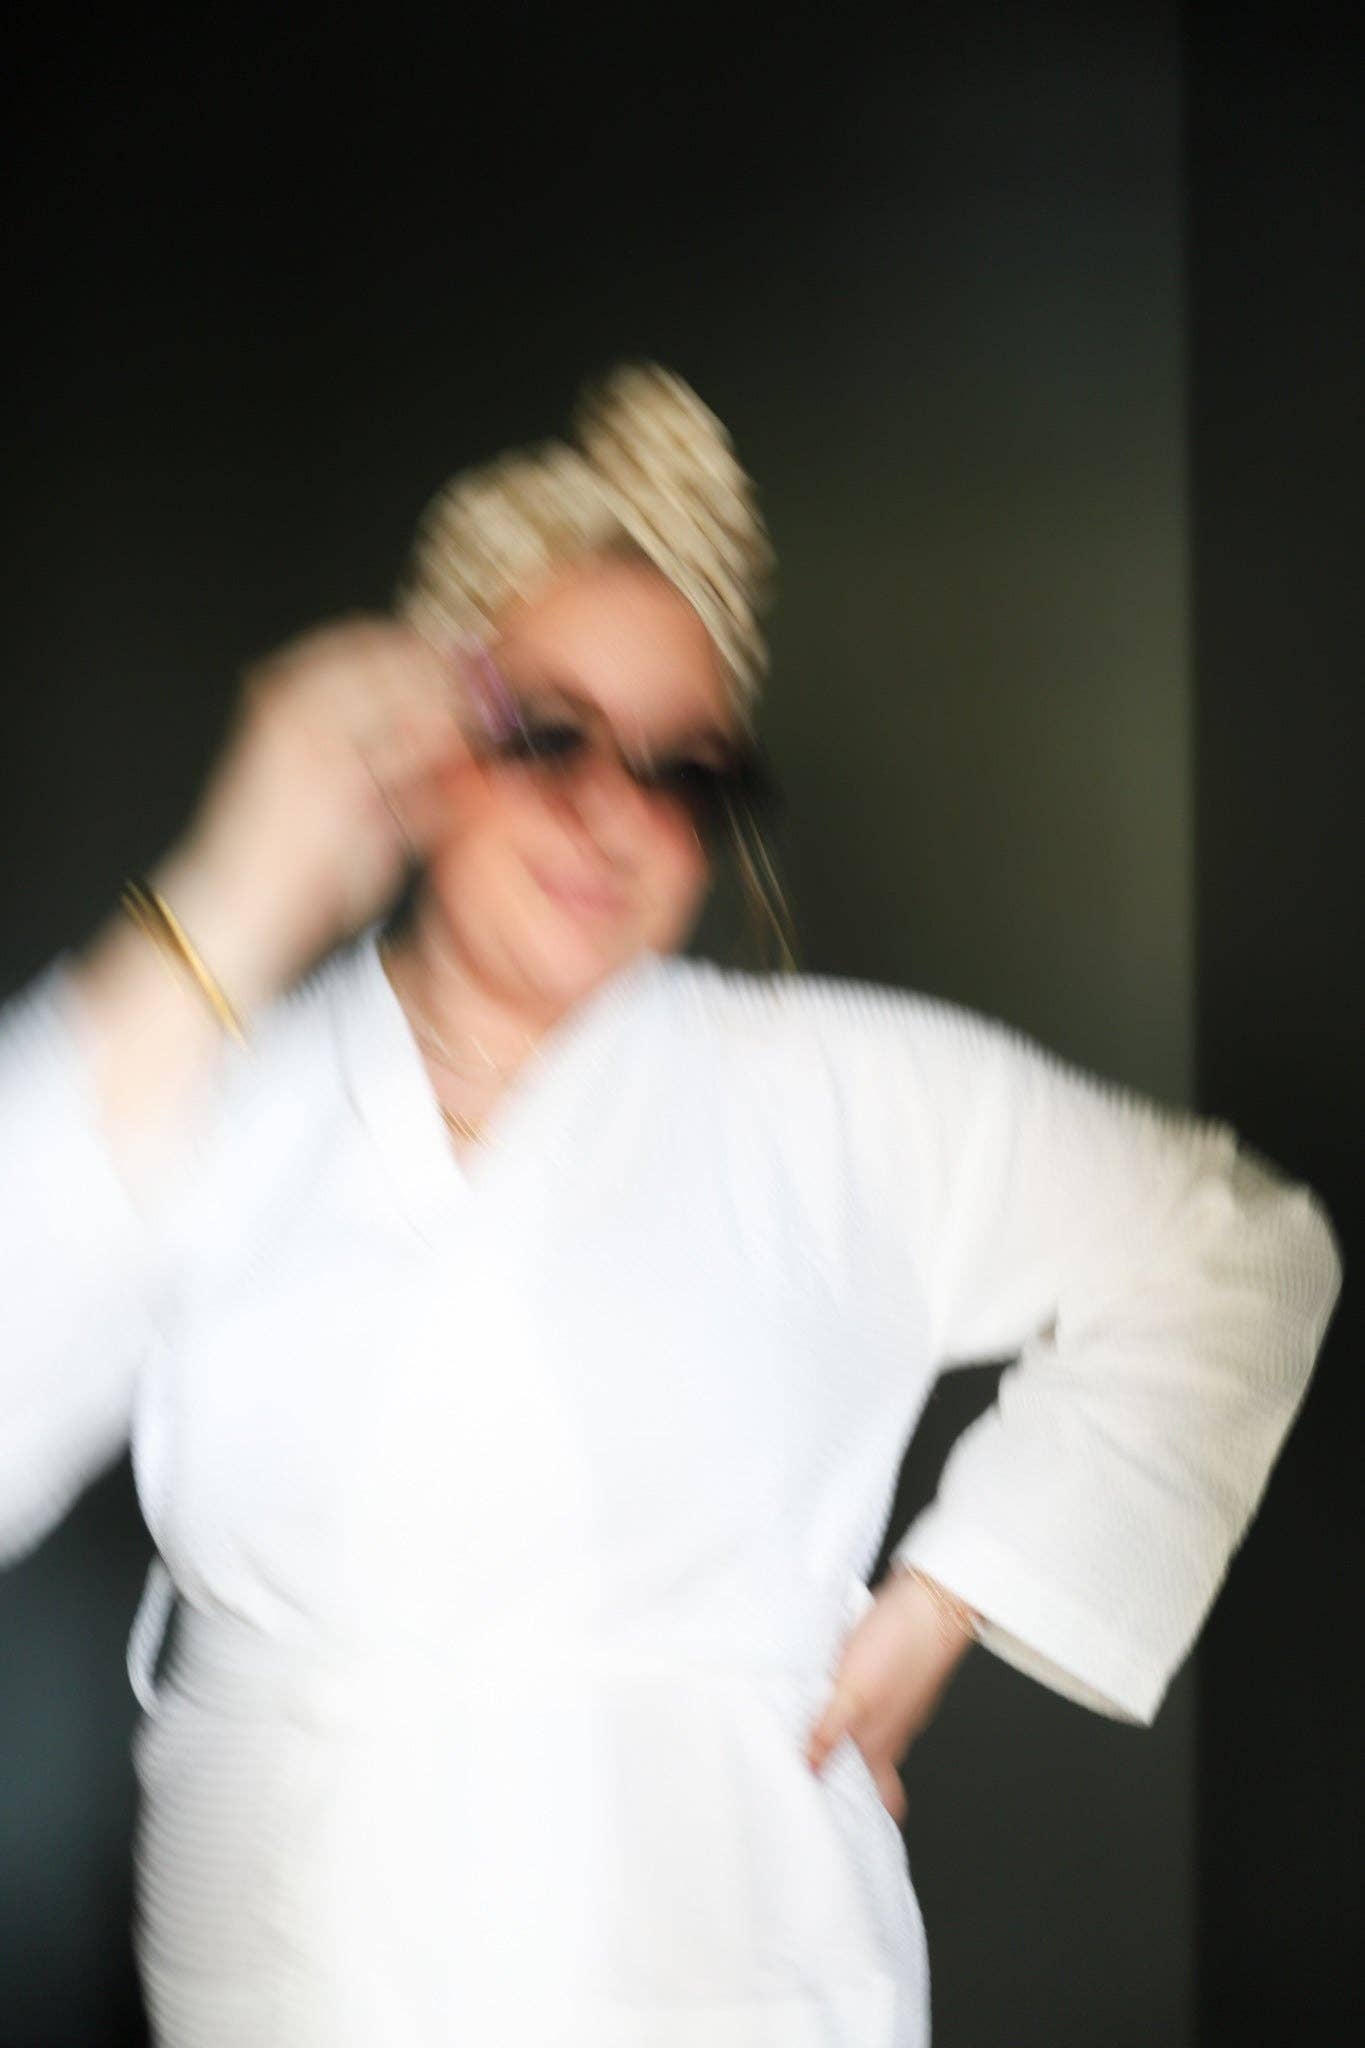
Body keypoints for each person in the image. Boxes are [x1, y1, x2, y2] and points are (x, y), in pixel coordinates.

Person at [0, 363, 1342, 2048]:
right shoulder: (216, 1090)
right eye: (547, 734)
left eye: (683, 771)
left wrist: (961, 1588)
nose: (611, 813)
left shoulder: (839, 1094)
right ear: (423, 737)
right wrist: (239, 893)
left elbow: (1232, 1243)